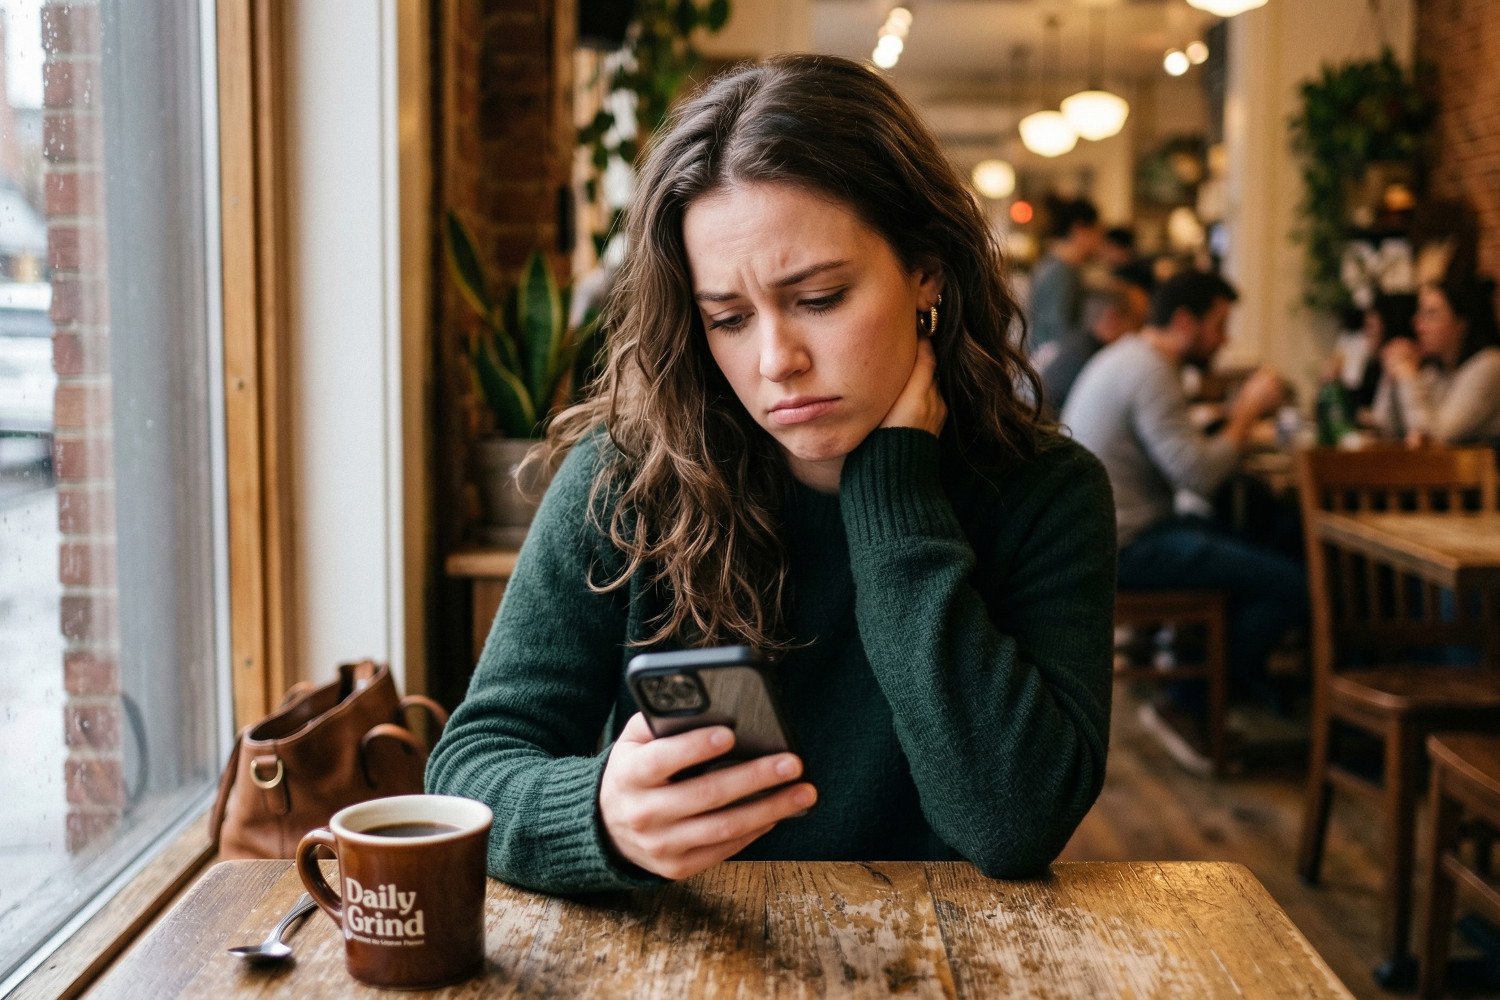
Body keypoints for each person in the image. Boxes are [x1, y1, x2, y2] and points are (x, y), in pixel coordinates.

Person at [425, 54, 1117, 894]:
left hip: (941, 948)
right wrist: (599, 814)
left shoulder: (1046, 494)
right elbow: (471, 767)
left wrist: (894, 493)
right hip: (680, 948)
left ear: (926, 271)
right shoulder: (628, 481)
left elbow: (1014, 823)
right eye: (728, 318)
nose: (775, 360)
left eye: (819, 299)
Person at [1061, 270, 1307, 774]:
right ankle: (1188, 703)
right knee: (1295, 584)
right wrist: (1246, 412)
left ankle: (1208, 680)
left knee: (1261, 542)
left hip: (1105, 535)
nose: (1225, 339)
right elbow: (1199, 476)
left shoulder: (1132, 356)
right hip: (1125, 547)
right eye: (1219, 325)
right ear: (1184, 322)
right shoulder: (1151, 369)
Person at [1371, 276, 1500, 446]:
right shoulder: (1436, 371)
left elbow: (1436, 438)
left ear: (1462, 323)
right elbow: (1386, 429)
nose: (1418, 324)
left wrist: (1408, 377)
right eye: (1419, 313)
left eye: (1431, 314)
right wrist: (1391, 378)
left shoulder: (1490, 365)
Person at [1038, 269, 1152, 415]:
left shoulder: (1075, 342)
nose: (1141, 331)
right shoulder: (1095, 358)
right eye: (1138, 321)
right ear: (1112, 318)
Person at [1027, 195, 1104, 367]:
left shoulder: (1053, 264)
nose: (1100, 241)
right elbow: (1058, 331)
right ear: (1079, 229)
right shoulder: (1061, 272)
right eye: (1098, 232)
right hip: (1050, 364)